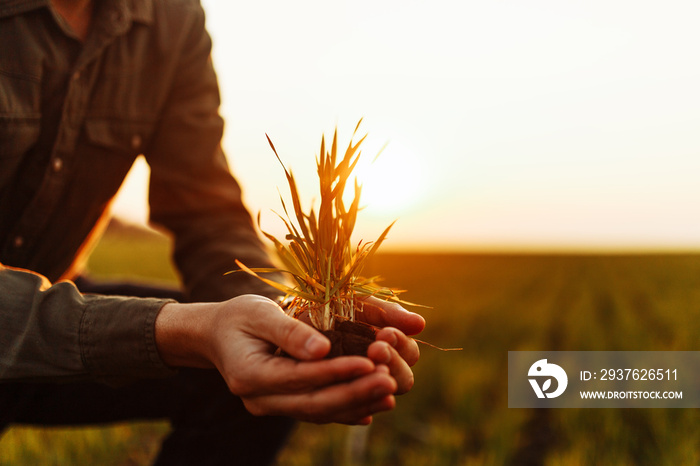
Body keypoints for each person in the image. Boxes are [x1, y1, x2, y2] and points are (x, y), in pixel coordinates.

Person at [0, 0, 425, 464]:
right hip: (27, 324)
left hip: (51, 311)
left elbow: (206, 209)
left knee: (265, 368)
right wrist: (181, 330)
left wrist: (281, 319)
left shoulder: (171, 18)